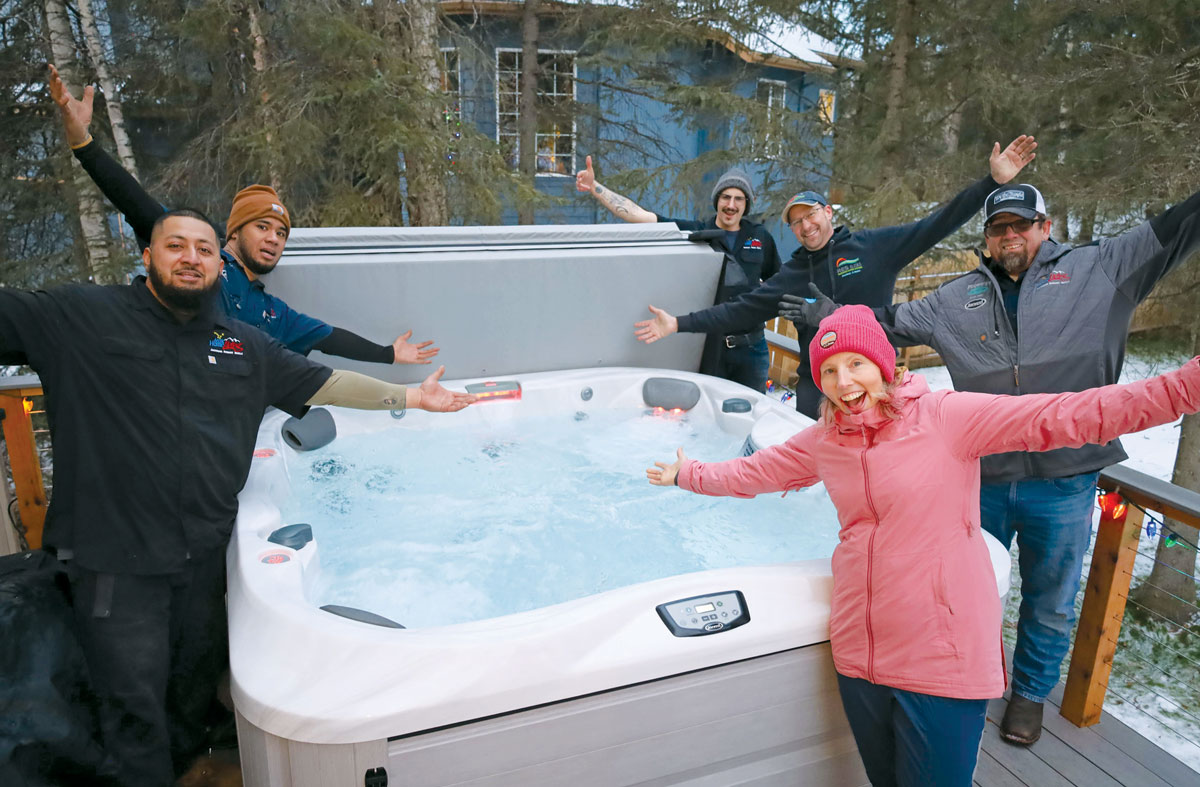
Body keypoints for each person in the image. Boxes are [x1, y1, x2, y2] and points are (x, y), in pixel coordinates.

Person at [0, 208, 476, 786]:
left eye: (203, 249)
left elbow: (324, 382)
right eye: (175, 245)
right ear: (147, 257)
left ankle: (181, 770)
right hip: (114, 562)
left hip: (203, 555)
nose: (191, 257)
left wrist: (410, 399)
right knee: (133, 707)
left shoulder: (241, 344)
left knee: (189, 691)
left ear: (218, 267)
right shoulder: (84, 316)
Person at [646, 305, 1200, 786]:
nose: (843, 382)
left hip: (940, 655)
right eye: (830, 370)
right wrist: (688, 473)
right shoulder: (825, 440)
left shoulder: (946, 418)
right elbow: (756, 472)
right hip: (859, 653)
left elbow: (1065, 415)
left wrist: (1184, 387)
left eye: (856, 364)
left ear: (885, 365)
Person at [779, 181, 1200, 745]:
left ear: (1044, 228)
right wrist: (831, 314)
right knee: (965, 593)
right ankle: (968, 684)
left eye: (1021, 225)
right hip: (983, 477)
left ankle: (1027, 696)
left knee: (1050, 601)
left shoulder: (1099, 269)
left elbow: (1175, 228)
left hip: (1067, 478)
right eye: (999, 228)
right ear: (987, 238)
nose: (1010, 236)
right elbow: (887, 323)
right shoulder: (957, 298)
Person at [47, 65, 437, 367]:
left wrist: (388, 354)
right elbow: (136, 203)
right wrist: (85, 145)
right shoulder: (201, 260)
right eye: (262, 227)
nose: (273, 239)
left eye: (282, 234)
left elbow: (326, 337)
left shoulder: (270, 310)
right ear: (233, 233)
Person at [633, 136, 1038, 417]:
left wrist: (991, 183)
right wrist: (679, 323)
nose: (806, 226)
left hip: (875, 385)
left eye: (811, 215)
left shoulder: (875, 248)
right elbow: (737, 312)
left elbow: (937, 223)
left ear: (828, 213)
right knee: (815, 491)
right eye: (796, 222)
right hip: (817, 391)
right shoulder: (791, 274)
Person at [577, 156, 781, 389]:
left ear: (747, 203)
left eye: (738, 198)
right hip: (711, 347)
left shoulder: (760, 236)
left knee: (753, 415)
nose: (731, 205)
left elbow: (779, 282)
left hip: (753, 349)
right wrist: (595, 187)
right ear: (717, 200)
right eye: (726, 197)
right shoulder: (696, 232)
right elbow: (640, 216)